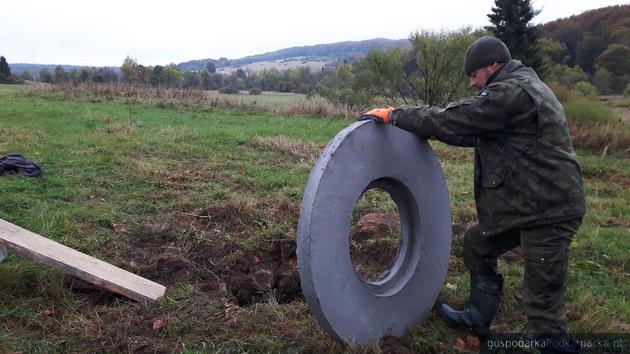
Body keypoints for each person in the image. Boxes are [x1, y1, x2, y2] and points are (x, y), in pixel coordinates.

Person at [359, 36, 585, 352]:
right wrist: (436, 131)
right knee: (477, 244)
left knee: (542, 300)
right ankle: (477, 319)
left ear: (492, 66)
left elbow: (459, 116)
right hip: (528, 203)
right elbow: (480, 132)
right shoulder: (523, 86)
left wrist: (395, 115)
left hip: (548, 210)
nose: (471, 82)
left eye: (474, 75)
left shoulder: (509, 92)